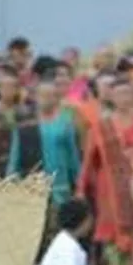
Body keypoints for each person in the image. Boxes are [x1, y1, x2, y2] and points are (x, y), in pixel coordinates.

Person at [79, 75, 133, 265]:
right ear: (111, 97)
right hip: (108, 187)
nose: (124, 98)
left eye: (128, 93)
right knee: (112, 232)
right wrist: (81, 189)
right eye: (119, 94)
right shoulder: (101, 127)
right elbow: (89, 161)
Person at [8, 76, 83, 255]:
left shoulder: (65, 125)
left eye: (51, 96)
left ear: (57, 98)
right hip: (33, 189)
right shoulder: (26, 128)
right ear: (35, 97)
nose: (46, 100)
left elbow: (74, 159)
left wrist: (79, 186)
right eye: (43, 96)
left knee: (59, 234)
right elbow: (14, 160)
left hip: (61, 189)